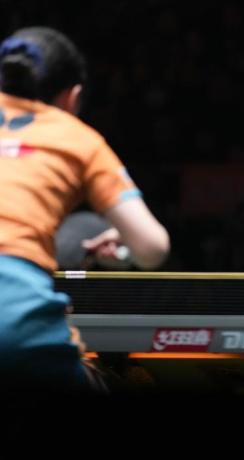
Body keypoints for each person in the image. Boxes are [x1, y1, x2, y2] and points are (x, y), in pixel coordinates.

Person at [0, 27, 170, 391]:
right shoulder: (79, 139)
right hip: (14, 319)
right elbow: (153, 248)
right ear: (72, 97)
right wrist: (125, 242)